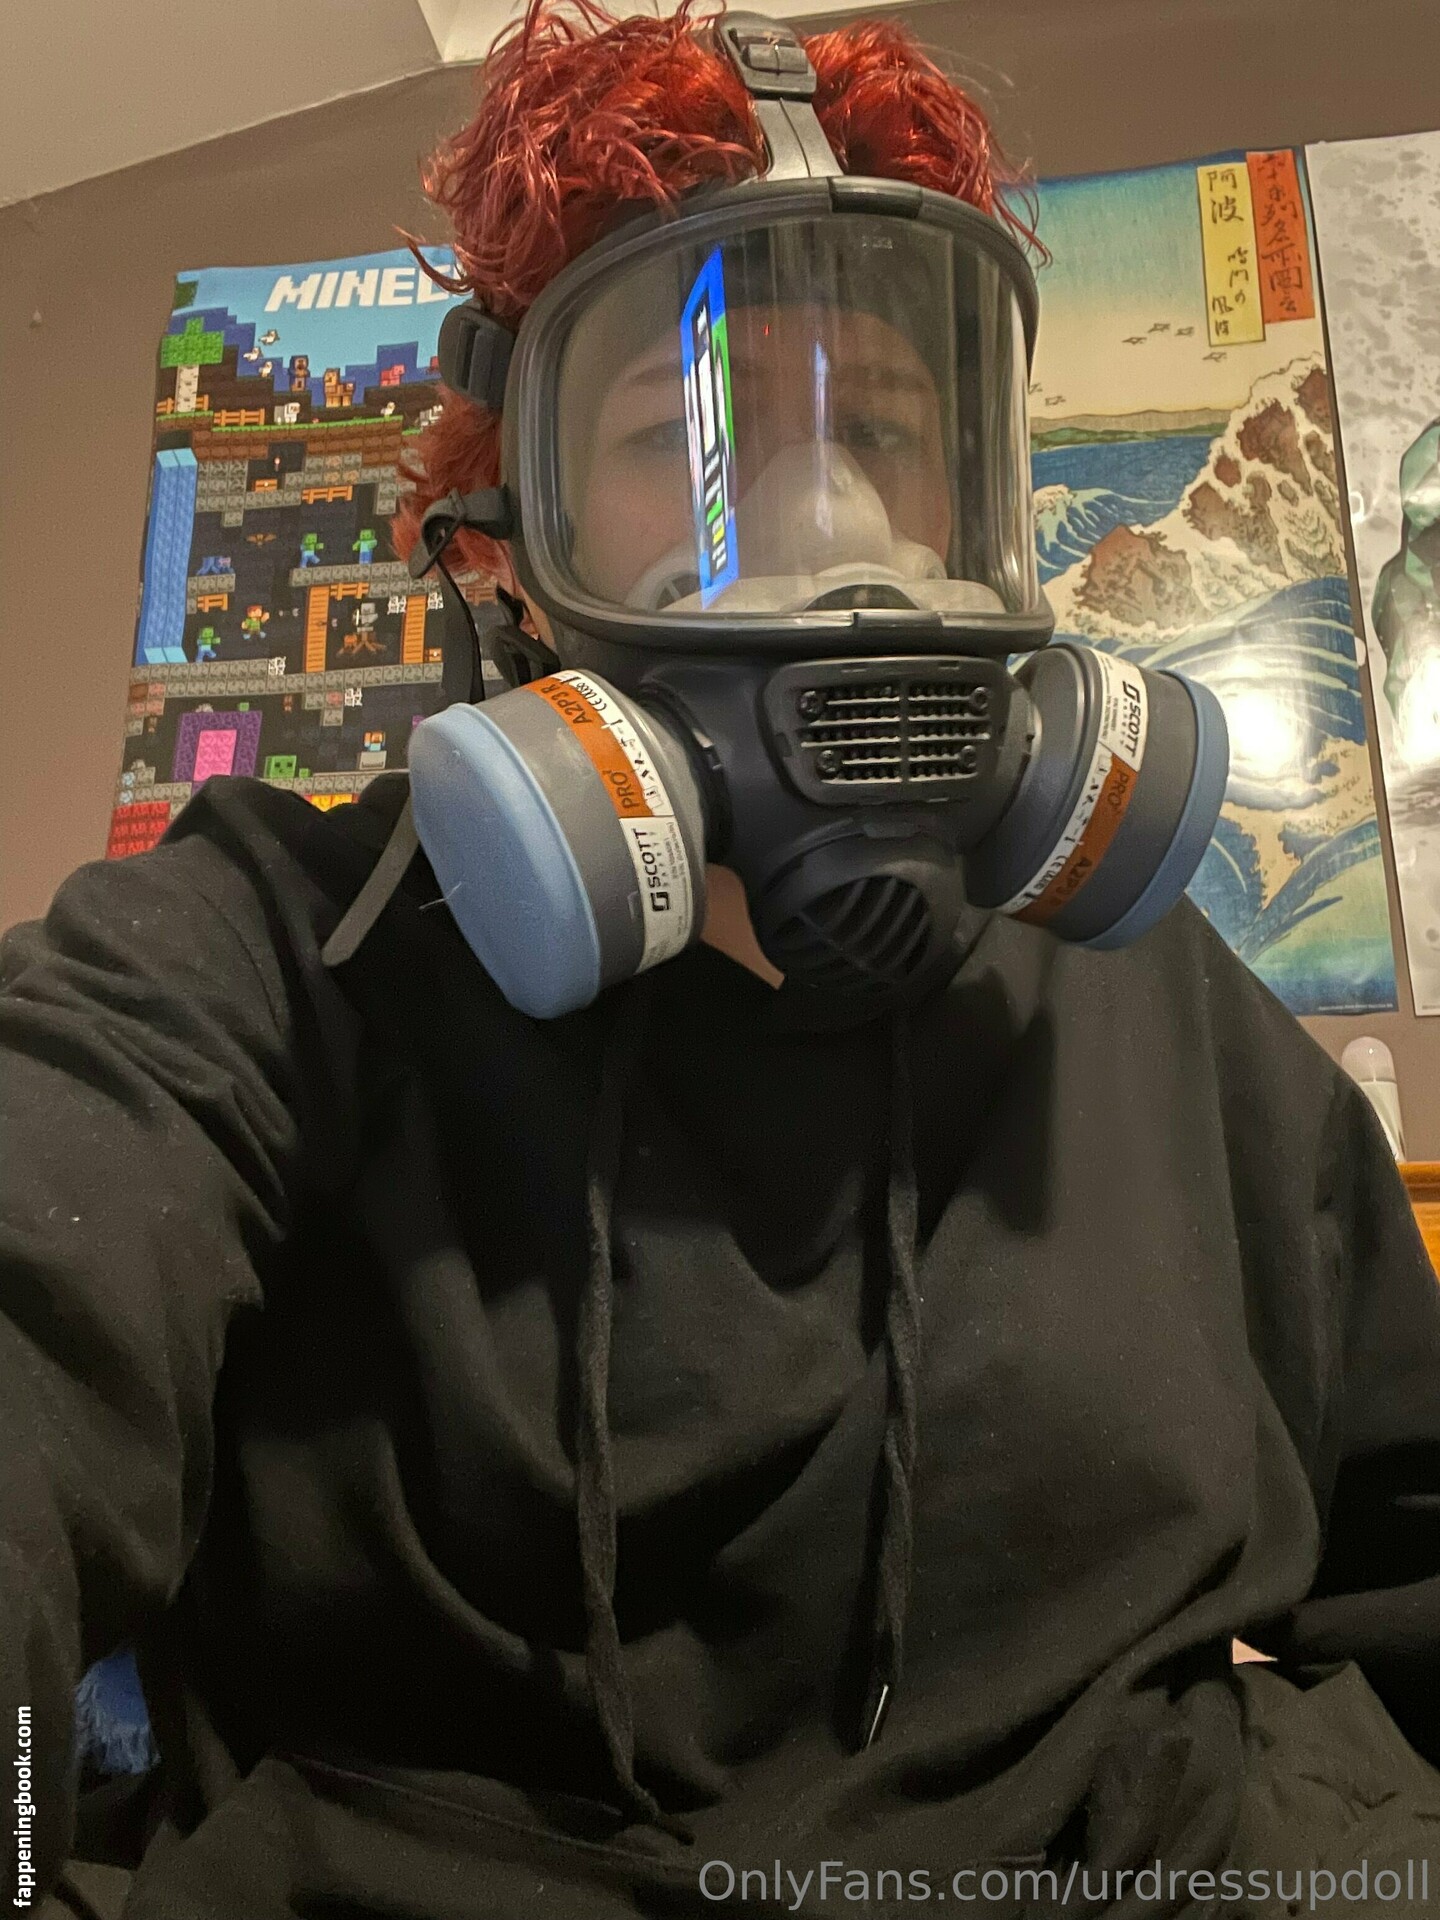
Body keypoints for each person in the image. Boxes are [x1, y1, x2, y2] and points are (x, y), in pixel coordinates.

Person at [6, 6, 1440, 1918]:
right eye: (686, 439)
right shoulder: (279, 950)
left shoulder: (1158, 1005)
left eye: (889, 429)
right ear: (507, 549)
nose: (825, 527)